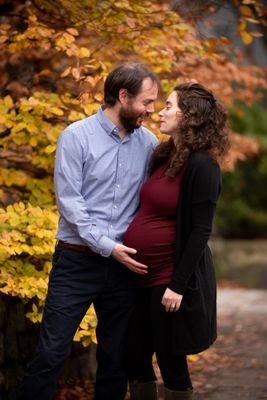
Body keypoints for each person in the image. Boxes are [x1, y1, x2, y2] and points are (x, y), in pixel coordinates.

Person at [17, 62, 159, 400]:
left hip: (125, 267)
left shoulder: (150, 143)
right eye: (147, 102)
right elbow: (70, 204)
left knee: (114, 361)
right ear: (123, 96)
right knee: (51, 353)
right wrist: (108, 246)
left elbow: (154, 200)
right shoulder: (76, 136)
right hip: (76, 263)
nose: (151, 111)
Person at [123, 82, 230, 400]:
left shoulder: (203, 166)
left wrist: (178, 286)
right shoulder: (165, 156)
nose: (160, 112)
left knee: (170, 360)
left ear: (191, 116)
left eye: (169, 105)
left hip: (168, 278)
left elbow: (200, 230)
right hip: (138, 276)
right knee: (134, 354)